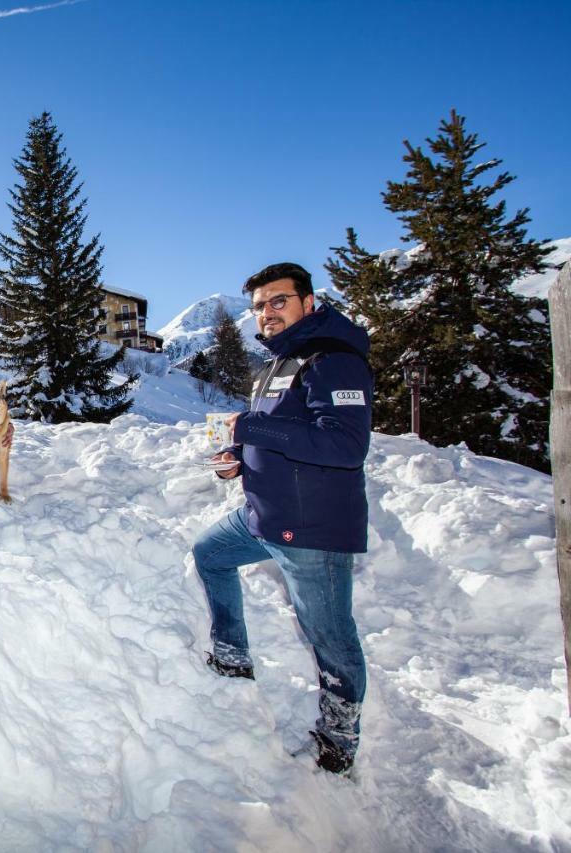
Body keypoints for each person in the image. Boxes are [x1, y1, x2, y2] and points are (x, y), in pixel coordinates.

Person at [191, 262, 372, 775]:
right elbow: (279, 428)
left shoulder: (334, 359)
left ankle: (339, 737)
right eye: (258, 307)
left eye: (278, 301)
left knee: (329, 636)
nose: (266, 314)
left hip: (312, 531)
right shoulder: (283, 362)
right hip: (264, 517)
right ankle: (232, 653)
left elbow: (345, 444)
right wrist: (239, 454)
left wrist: (252, 428)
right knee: (210, 556)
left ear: (308, 303)